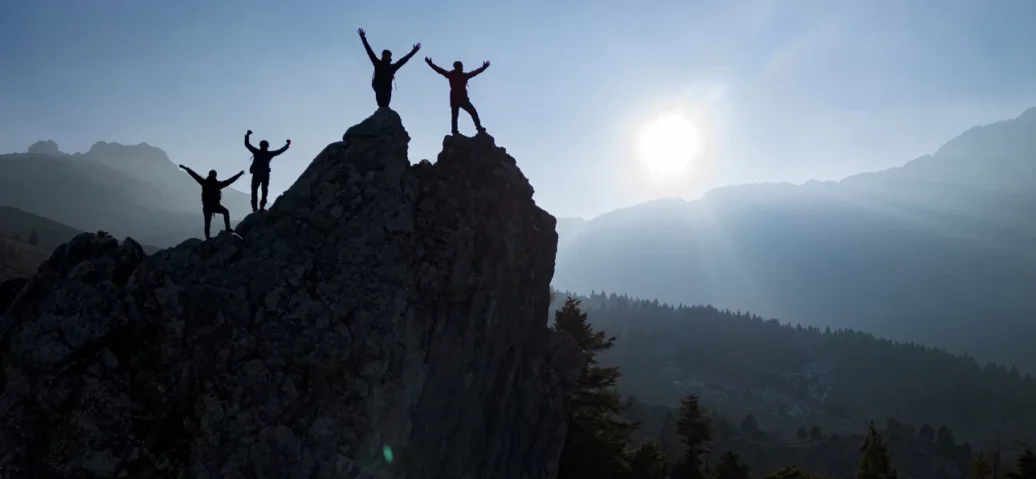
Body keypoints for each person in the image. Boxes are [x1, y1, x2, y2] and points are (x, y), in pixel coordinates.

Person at [425, 57, 490, 135]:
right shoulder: (457, 75)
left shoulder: (453, 75)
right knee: (467, 113)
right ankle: (476, 128)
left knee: (457, 115)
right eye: (461, 66)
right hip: (461, 99)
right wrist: (484, 67)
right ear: (458, 67)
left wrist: (430, 64)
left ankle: (457, 130)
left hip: (456, 99)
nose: (462, 68)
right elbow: (474, 73)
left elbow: (440, 71)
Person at [358, 28, 421, 108]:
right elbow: (369, 51)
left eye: (386, 55)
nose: (384, 57)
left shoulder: (392, 67)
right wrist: (363, 38)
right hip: (379, 88)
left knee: (385, 105)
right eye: (384, 55)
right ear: (382, 56)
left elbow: (404, 60)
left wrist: (413, 52)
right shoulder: (378, 63)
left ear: (389, 57)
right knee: (381, 104)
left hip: (387, 89)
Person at [179, 165, 244, 240]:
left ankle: (208, 238)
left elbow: (194, 175)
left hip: (207, 207)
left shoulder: (204, 182)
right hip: (214, 206)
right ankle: (227, 228)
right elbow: (229, 181)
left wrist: (186, 168)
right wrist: (239, 174)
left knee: (208, 223)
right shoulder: (217, 184)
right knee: (225, 212)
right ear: (215, 176)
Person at [244, 130, 290, 212]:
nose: (264, 147)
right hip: (259, 175)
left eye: (264, 146)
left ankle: (260, 207)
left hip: (263, 175)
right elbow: (247, 145)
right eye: (263, 146)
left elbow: (280, 151)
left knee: (262, 191)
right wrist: (247, 135)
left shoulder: (262, 153)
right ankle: (256, 207)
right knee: (257, 191)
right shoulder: (260, 152)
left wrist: (287, 145)